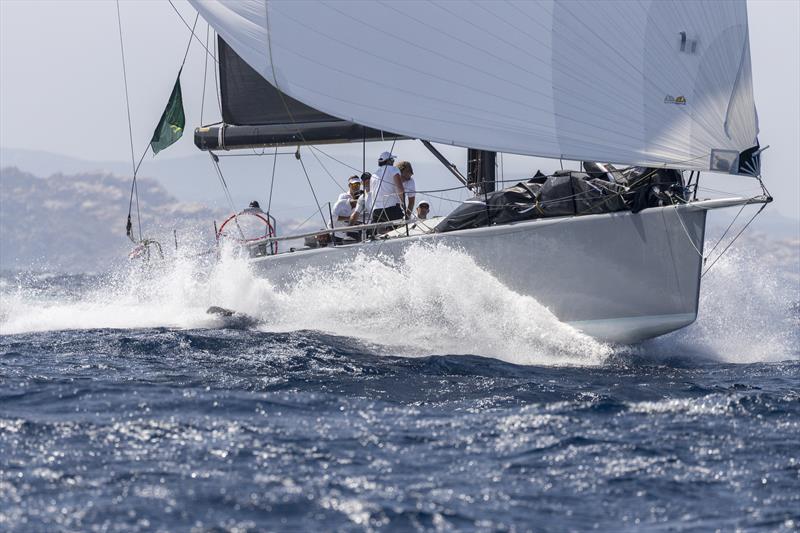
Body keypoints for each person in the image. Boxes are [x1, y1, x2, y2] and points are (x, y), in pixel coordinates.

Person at [369, 151, 405, 226]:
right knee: (400, 230)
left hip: (377, 211)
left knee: (380, 235)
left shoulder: (373, 176)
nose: (393, 162)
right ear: (389, 161)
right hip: (391, 209)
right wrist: (403, 203)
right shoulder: (394, 170)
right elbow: (400, 189)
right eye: (392, 160)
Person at [330, 176, 361, 243]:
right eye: (354, 184)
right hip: (337, 230)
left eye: (358, 184)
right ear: (349, 185)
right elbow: (338, 211)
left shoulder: (361, 196)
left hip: (348, 231)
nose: (356, 186)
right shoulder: (343, 196)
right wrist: (349, 218)